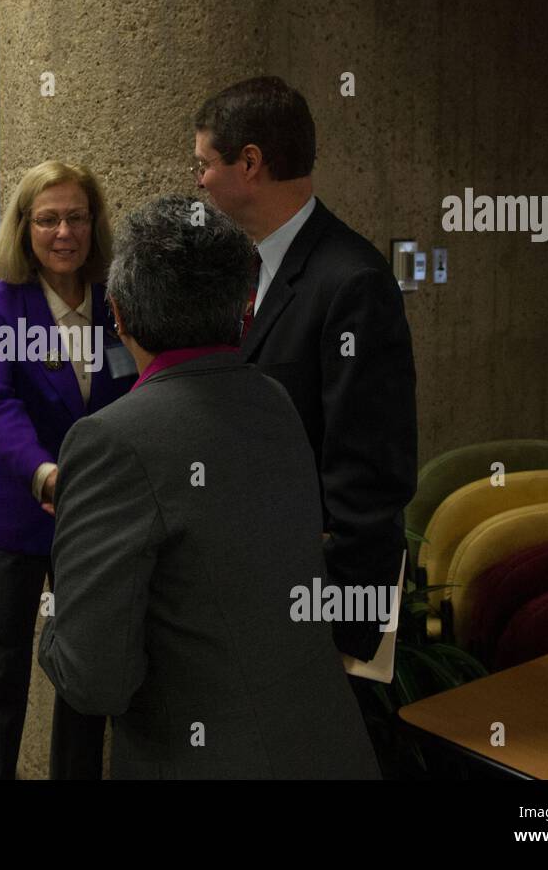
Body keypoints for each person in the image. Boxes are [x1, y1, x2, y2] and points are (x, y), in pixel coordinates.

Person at [38, 194, 380, 779]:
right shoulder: (274, 400)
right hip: (327, 743)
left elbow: (92, 678)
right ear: (246, 307)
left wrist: (59, 599)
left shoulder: (111, 440)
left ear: (116, 314)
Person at [193, 76, 417, 768]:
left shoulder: (351, 280)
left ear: (250, 163)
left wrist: (341, 618)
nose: (197, 180)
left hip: (317, 605)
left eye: (204, 163)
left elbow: (371, 469)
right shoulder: (248, 270)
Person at [0, 160, 131, 780]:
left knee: (84, 672)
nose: (63, 232)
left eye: (76, 217)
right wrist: (46, 474)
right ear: (24, 227)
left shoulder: (117, 302)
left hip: (96, 517)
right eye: (48, 218)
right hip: (15, 510)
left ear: (93, 223)